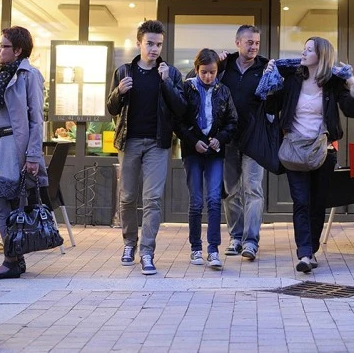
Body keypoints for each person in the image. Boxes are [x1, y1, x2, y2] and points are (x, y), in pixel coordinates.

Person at [265, 37, 354, 273]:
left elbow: (350, 110)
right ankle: (305, 253)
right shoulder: (291, 79)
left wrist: (353, 85)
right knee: (301, 202)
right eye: (304, 48)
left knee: (318, 204)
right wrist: (270, 79)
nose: (303, 52)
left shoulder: (332, 83)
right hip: (295, 151)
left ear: (321, 55)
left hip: (323, 152)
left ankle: (312, 249)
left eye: (309, 50)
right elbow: (270, 106)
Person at [107, 19, 185, 275]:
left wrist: (167, 83)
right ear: (139, 42)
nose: (154, 49)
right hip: (129, 142)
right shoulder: (123, 72)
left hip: (158, 143)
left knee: (152, 199)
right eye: (149, 43)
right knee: (127, 197)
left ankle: (148, 252)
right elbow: (112, 108)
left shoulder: (170, 73)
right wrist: (119, 92)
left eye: (159, 44)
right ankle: (130, 243)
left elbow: (181, 109)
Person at [0, 26, 47, 281]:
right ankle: (15, 258)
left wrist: (33, 156)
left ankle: (10, 260)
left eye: (4, 46)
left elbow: (36, 119)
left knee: (3, 202)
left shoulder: (29, 75)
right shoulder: (1, 74)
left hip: (12, 146)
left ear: (18, 50)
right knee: (3, 203)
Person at [175, 49, 238, 270]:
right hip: (193, 151)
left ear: (217, 70)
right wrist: (194, 141)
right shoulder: (187, 88)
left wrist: (219, 139)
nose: (208, 77)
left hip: (214, 151)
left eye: (212, 72)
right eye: (204, 72)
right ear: (197, 69)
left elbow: (232, 121)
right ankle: (195, 248)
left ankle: (213, 250)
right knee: (196, 201)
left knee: (213, 200)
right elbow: (179, 121)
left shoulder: (224, 91)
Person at [218, 25, 269, 260]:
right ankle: (235, 237)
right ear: (237, 42)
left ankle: (250, 241)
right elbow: (195, 79)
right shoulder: (224, 66)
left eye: (257, 43)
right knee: (230, 191)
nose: (254, 47)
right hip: (228, 138)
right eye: (249, 42)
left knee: (253, 190)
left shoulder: (265, 67)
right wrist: (216, 62)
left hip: (255, 139)